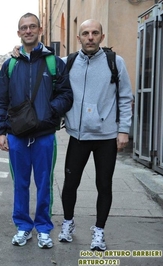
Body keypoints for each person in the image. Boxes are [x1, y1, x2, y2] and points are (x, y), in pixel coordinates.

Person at [0, 13, 73, 248]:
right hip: (17, 136)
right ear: (18, 33)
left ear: (40, 30)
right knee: (20, 184)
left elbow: (66, 94)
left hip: (44, 136)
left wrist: (50, 110)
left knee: (44, 183)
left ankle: (43, 227)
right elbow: (1, 100)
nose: (28, 31)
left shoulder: (53, 62)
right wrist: (1, 132)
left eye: (32, 27)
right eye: (23, 28)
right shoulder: (10, 64)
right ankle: (23, 226)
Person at [58, 19, 133, 251]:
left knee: (104, 185)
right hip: (78, 136)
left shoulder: (115, 62)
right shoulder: (68, 62)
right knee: (70, 184)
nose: (90, 37)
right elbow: (43, 67)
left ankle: (99, 231)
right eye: (85, 33)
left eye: (94, 33)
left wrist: (124, 130)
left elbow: (125, 97)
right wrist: (19, 54)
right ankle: (68, 223)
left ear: (101, 36)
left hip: (106, 137)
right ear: (78, 37)